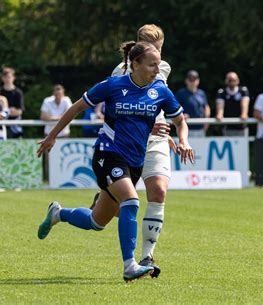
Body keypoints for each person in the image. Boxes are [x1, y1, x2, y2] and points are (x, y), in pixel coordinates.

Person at [37, 41, 194, 282]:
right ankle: (131, 264)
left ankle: (58, 214)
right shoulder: (113, 85)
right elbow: (77, 108)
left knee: (96, 222)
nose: (157, 70)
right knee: (131, 201)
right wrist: (52, 135)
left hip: (134, 162)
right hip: (107, 154)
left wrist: (183, 140)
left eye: (158, 65)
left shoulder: (160, 90)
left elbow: (180, 120)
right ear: (135, 64)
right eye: (152, 65)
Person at [89, 24, 179, 276]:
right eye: (153, 50)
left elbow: (159, 101)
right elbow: (120, 111)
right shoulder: (120, 72)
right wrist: (146, 128)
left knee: (158, 190)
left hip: (157, 138)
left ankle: (146, 257)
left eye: (161, 50)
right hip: (129, 142)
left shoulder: (164, 67)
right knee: (108, 215)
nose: (158, 59)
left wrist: (167, 131)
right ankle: (103, 200)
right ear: (139, 49)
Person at [175, 70, 210, 137]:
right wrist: (182, 115)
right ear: (186, 81)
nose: (192, 81)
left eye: (194, 79)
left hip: (200, 129)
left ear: (198, 80)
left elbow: (206, 108)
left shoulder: (201, 93)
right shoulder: (180, 93)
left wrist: (206, 124)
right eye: (190, 79)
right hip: (185, 129)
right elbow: (174, 108)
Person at [215, 72, 250, 136]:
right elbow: (220, 106)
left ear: (238, 81)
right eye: (230, 80)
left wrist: (244, 114)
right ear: (226, 81)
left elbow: (245, 103)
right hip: (227, 127)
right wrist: (220, 114)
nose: (232, 82)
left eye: (234, 80)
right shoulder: (222, 92)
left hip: (241, 126)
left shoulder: (243, 91)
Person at [0, 67, 25, 138]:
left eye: (9, 77)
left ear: (13, 78)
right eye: (5, 77)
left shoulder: (18, 92)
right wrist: (10, 111)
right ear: (2, 78)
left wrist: (5, 112)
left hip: (16, 125)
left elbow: (19, 112)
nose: (7, 79)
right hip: (2, 125)